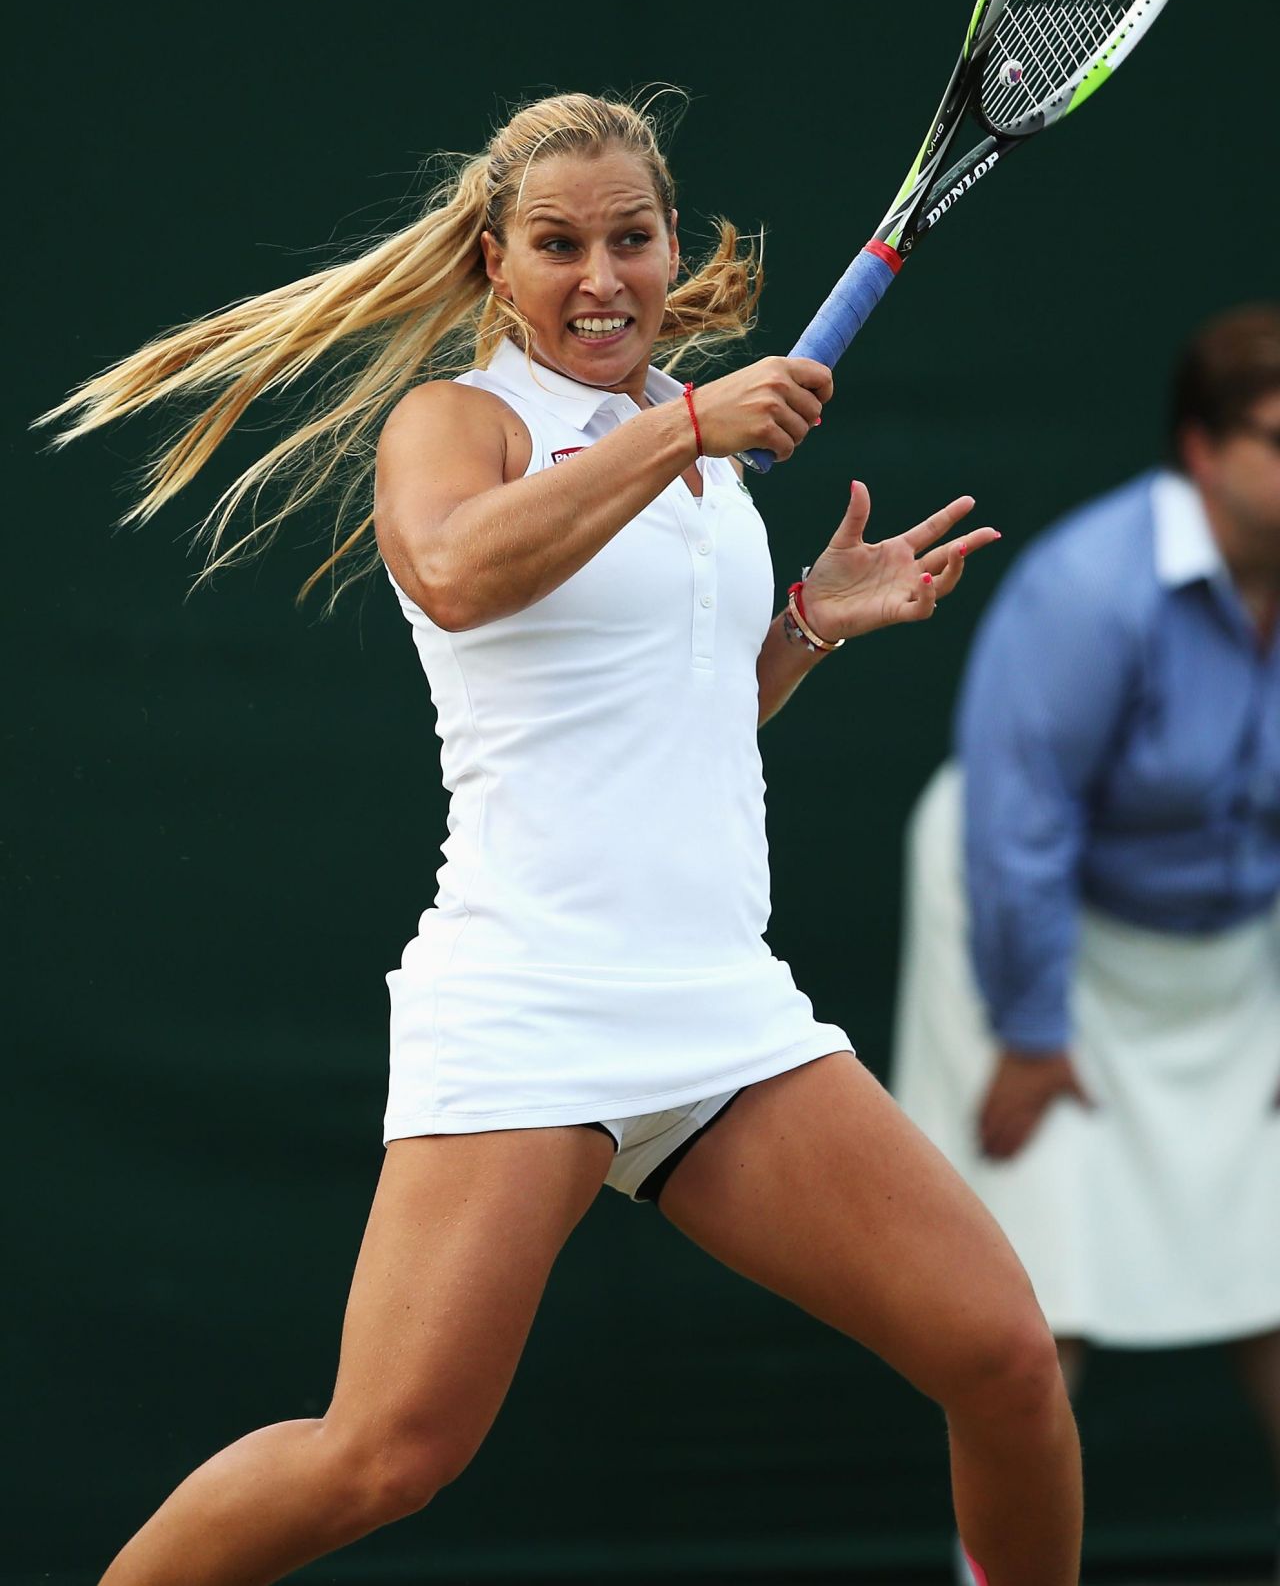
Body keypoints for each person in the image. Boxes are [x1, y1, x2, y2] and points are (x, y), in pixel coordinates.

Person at [46, 92, 1081, 1586]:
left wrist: (801, 624)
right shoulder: (460, 423)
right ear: (495, 258)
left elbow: (673, 728)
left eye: (631, 238)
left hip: (722, 1009)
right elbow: (460, 571)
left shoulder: (702, 456)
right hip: (531, 1001)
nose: (601, 274)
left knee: (1004, 1358)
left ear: (672, 248)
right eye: (558, 243)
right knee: (385, 1453)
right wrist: (683, 428)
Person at [892, 305, 1280, 1573]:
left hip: (1232, 953)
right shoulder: (1089, 588)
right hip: (1025, 943)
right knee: (1022, 1316)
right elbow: (1018, 831)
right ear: (1202, 452)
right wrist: (1030, 1032)